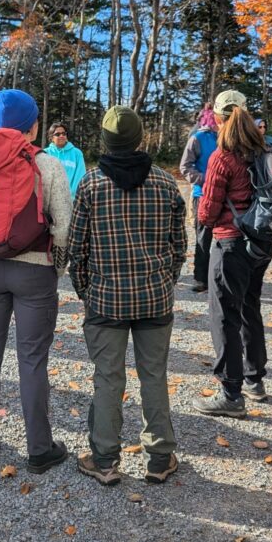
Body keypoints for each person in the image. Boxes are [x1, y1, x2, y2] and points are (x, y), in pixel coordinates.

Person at [69, 106, 186, 486]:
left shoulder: (91, 184)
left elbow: (77, 249)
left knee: (108, 378)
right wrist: (164, 281)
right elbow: (180, 246)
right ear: (139, 139)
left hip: (106, 300)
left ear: (105, 141)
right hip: (154, 298)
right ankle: (159, 458)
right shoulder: (166, 184)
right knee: (154, 376)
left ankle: (104, 460)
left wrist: (88, 290)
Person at [0, 89, 73, 474]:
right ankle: (40, 449)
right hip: (34, 269)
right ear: (34, 124)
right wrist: (55, 267)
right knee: (32, 359)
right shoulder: (46, 163)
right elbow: (64, 224)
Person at [193, 90, 272, 417]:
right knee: (250, 307)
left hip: (231, 243)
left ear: (217, 116)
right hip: (261, 241)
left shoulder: (223, 156)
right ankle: (255, 380)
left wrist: (207, 219)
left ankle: (230, 392)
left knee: (224, 314)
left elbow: (207, 211)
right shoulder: (263, 150)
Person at [180, 114, 218, 292]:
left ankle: (220, 277)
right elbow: (185, 166)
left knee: (228, 239)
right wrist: (207, 179)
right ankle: (200, 278)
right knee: (204, 238)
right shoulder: (198, 138)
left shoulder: (232, 137)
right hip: (203, 195)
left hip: (229, 196)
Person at [44, 122, 86, 198]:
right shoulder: (45, 153)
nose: (61, 136)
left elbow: (80, 176)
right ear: (51, 137)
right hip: (50, 199)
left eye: (64, 133)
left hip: (71, 200)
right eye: (57, 134)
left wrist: (71, 195)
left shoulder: (77, 153)